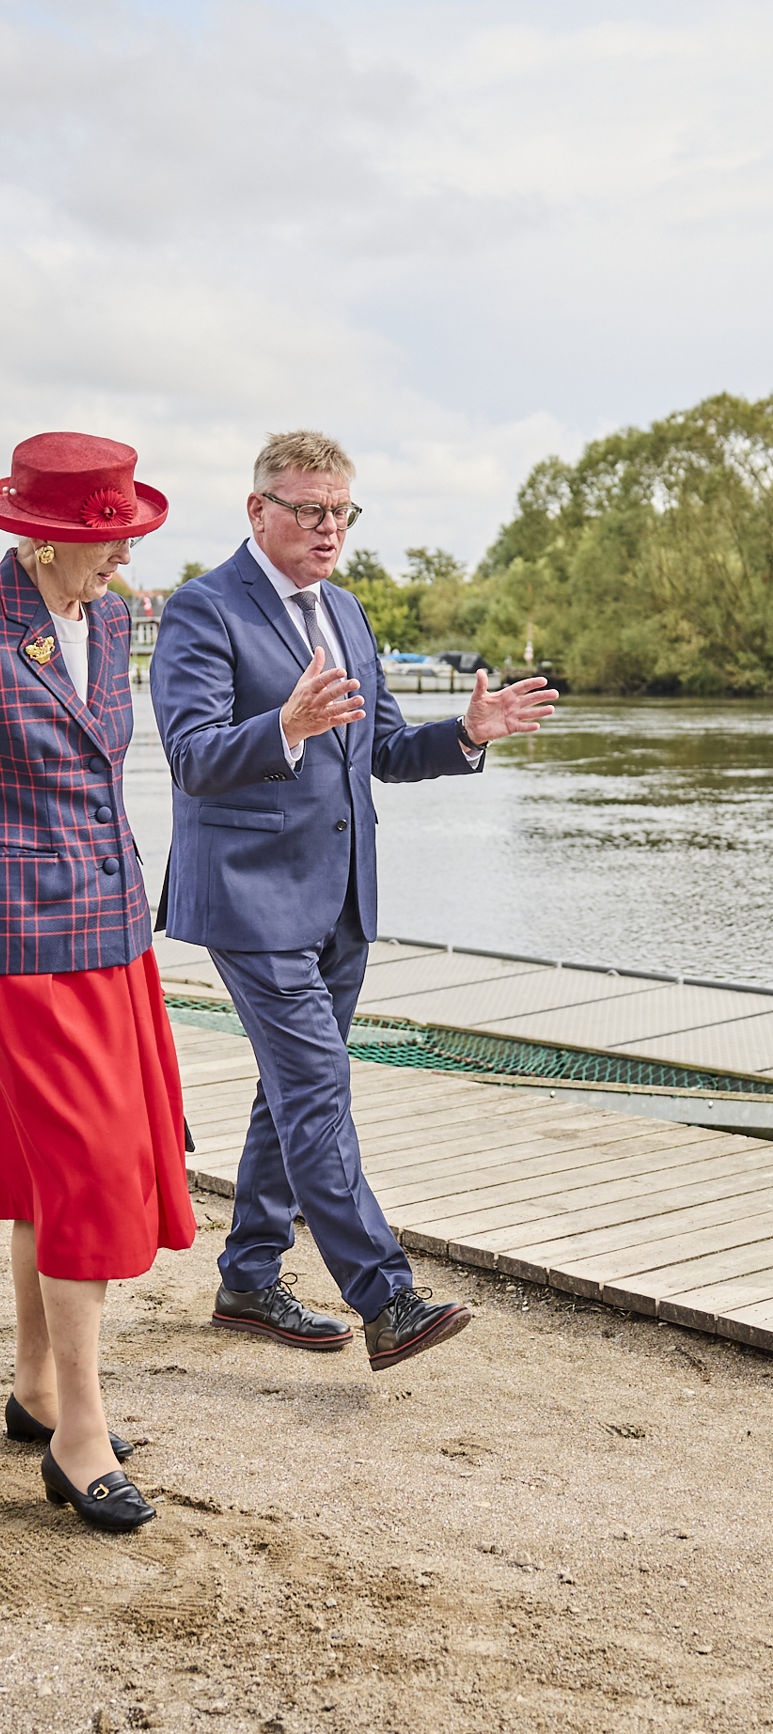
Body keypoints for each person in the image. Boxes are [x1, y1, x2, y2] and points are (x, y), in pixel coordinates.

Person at [151, 431, 556, 1372]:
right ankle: (385, 1295)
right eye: (308, 510)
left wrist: (462, 733)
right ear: (259, 511)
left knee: (289, 1093)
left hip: (341, 901)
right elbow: (192, 757)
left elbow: (380, 751)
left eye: (342, 512)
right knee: (318, 1087)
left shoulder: (346, 610)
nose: (329, 528)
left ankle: (250, 1278)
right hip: (248, 897)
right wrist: (283, 724)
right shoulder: (203, 611)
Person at [0, 431, 196, 1532]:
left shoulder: (114, 617)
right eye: (99, 537)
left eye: (124, 534)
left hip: (114, 930)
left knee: (42, 1176)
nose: (118, 556)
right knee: (83, 1176)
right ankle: (79, 1433)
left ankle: (34, 1388)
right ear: (38, 534)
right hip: (19, 942)